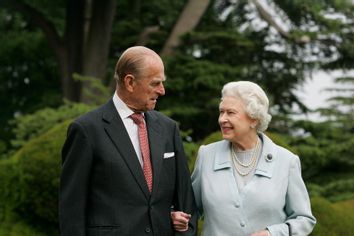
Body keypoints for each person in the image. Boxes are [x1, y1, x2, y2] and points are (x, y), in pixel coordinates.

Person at [59, 46, 197, 236]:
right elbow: (71, 210)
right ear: (130, 82)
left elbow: (186, 202)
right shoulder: (86, 130)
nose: (162, 91)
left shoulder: (168, 129)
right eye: (155, 83)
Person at [172, 81, 316, 235]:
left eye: (231, 113)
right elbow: (189, 208)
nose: (222, 119)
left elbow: (304, 220)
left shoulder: (286, 161)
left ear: (254, 119)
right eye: (221, 112)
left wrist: (271, 233)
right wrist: (175, 215)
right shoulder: (207, 155)